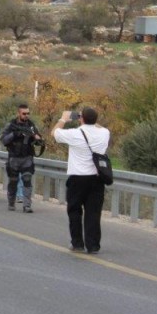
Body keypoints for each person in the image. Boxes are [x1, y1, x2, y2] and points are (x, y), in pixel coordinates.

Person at [53, 107, 110, 254]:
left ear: (81, 119)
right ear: (96, 120)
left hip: (77, 178)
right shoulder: (105, 133)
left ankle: (77, 243)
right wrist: (90, 120)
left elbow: (55, 133)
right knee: (93, 213)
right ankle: (93, 245)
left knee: (74, 211)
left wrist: (63, 119)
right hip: (97, 179)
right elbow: (99, 127)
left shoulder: (75, 134)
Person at [0, 104, 43, 213]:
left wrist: (37, 138)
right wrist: (15, 134)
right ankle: (11, 202)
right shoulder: (11, 125)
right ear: (19, 113)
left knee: (27, 180)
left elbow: (38, 140)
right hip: (14, 158)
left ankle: (27, 205)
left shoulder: (32, 126)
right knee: (13, 181)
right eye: (24, 113)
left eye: (28, 113)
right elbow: (3, 139)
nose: (26, 115)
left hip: (27, 157)